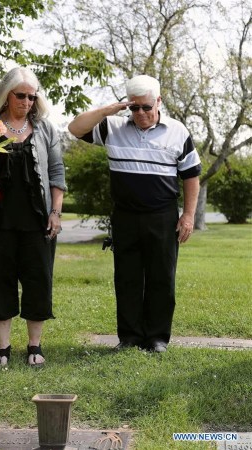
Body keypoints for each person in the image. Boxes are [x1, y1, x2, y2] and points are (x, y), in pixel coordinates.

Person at [68, 74, 201, 353]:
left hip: (162, 217)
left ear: (159, 102)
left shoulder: (178, 131)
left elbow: (191, 176)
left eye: (146, 107)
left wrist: (188, 216)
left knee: (161, 278)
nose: (140, 113)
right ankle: (128, 338)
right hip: (125, 216)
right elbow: (75, 128)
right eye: (134, 107)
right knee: (127, 278)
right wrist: (107, 111)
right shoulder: (113, 127)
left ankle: (157, 338)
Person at [0, 67, 66, 367]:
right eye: (20, 95)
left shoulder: (45, 129)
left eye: (32, 97)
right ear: (6, 95)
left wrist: (56, 213)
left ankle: (35, 346)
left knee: (38, 281)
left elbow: (57, 173)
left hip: (37, 222)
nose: (27, 101)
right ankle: (3, 348)